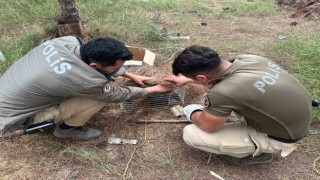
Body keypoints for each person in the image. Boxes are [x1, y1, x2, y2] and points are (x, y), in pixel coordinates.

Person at [0, 36, 172, 141]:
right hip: (15, 118)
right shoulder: (85, 81)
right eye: (114, 69)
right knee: (96, 99)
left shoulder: (67, 41)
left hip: (10, 92)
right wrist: (152, 90)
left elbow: (102, 65)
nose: (117, 71)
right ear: (94, 65)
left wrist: (131, 75)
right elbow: (115, 95)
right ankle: (66, 131)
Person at [164, 45, 311, 165]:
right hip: (296, 119)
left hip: (282, 136)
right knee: (230, 105)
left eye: (194, 79)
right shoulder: (250, 59)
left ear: (202, 77)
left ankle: (257, 154)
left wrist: (192, 111)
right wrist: (189, 79)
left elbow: (208, 126)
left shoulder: (223, 93)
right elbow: (225, 74)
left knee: (191, 133)